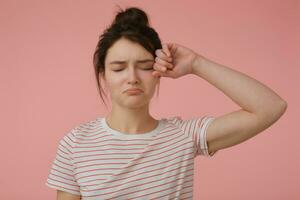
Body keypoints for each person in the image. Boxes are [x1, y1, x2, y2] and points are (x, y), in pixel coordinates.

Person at [45, 6, 288, 200]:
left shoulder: (183, 136)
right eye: (119, 68)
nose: (132, 78)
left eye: (145, 67)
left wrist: (195, 63)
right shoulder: (76, 143)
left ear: (160, 72)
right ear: (103, 76)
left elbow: (270, 107)